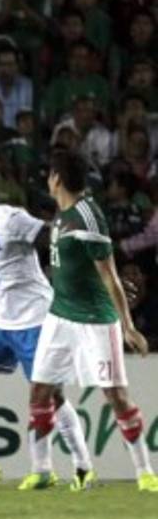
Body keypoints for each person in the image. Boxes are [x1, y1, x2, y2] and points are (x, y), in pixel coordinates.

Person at [0, 165, 93, 490]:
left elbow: (52, 237)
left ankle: (80, 465)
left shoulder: (10, 217)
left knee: (50, 395)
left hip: (35, 318)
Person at [28, 149, 158, 492]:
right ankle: (42, 471)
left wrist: (128, 326)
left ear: (56, 178)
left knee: (116, 395)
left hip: (95, 321)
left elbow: (110, 276)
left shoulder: (88, 216)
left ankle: (145, 472)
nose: (47, 180)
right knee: (40, 389)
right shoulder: (60, 216)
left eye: (49, 174)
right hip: (60, 316)